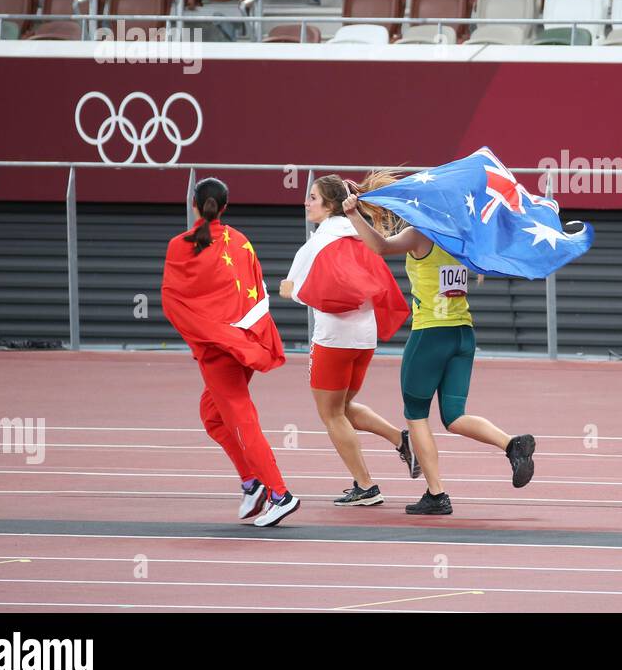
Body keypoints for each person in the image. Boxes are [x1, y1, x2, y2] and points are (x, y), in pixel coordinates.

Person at [341, 172, 536, 516]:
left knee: (415, 416)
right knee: (454, 416)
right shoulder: (462, 236)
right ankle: (512, 445)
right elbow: (480, 265)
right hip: (463, 333)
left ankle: (436, 494)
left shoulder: (419, 235)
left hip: (431, 334)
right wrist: (369, 197)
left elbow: (381, 247)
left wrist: (355, 214)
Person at [161, 177, 299, 528]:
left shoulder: (180, 246)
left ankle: (280, 493)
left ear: (195, 204)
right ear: (224, 207)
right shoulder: (241, 242)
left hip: (218, 349)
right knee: (212, 415)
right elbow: (255, 290)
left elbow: (173, 299)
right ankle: (252, 483)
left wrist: (207, 333)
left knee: (241, 419)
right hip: (245, 342)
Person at [280, 174, 420, 507]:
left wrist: (287, 290)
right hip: (365, 337)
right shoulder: (361, 233)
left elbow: (294, 289)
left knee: (330, 415)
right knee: (342, 407)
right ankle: (401, 439)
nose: (306, 203)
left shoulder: (317, 242)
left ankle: (366, 485)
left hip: (333, 337)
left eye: (312, 198)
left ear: (329, 205)